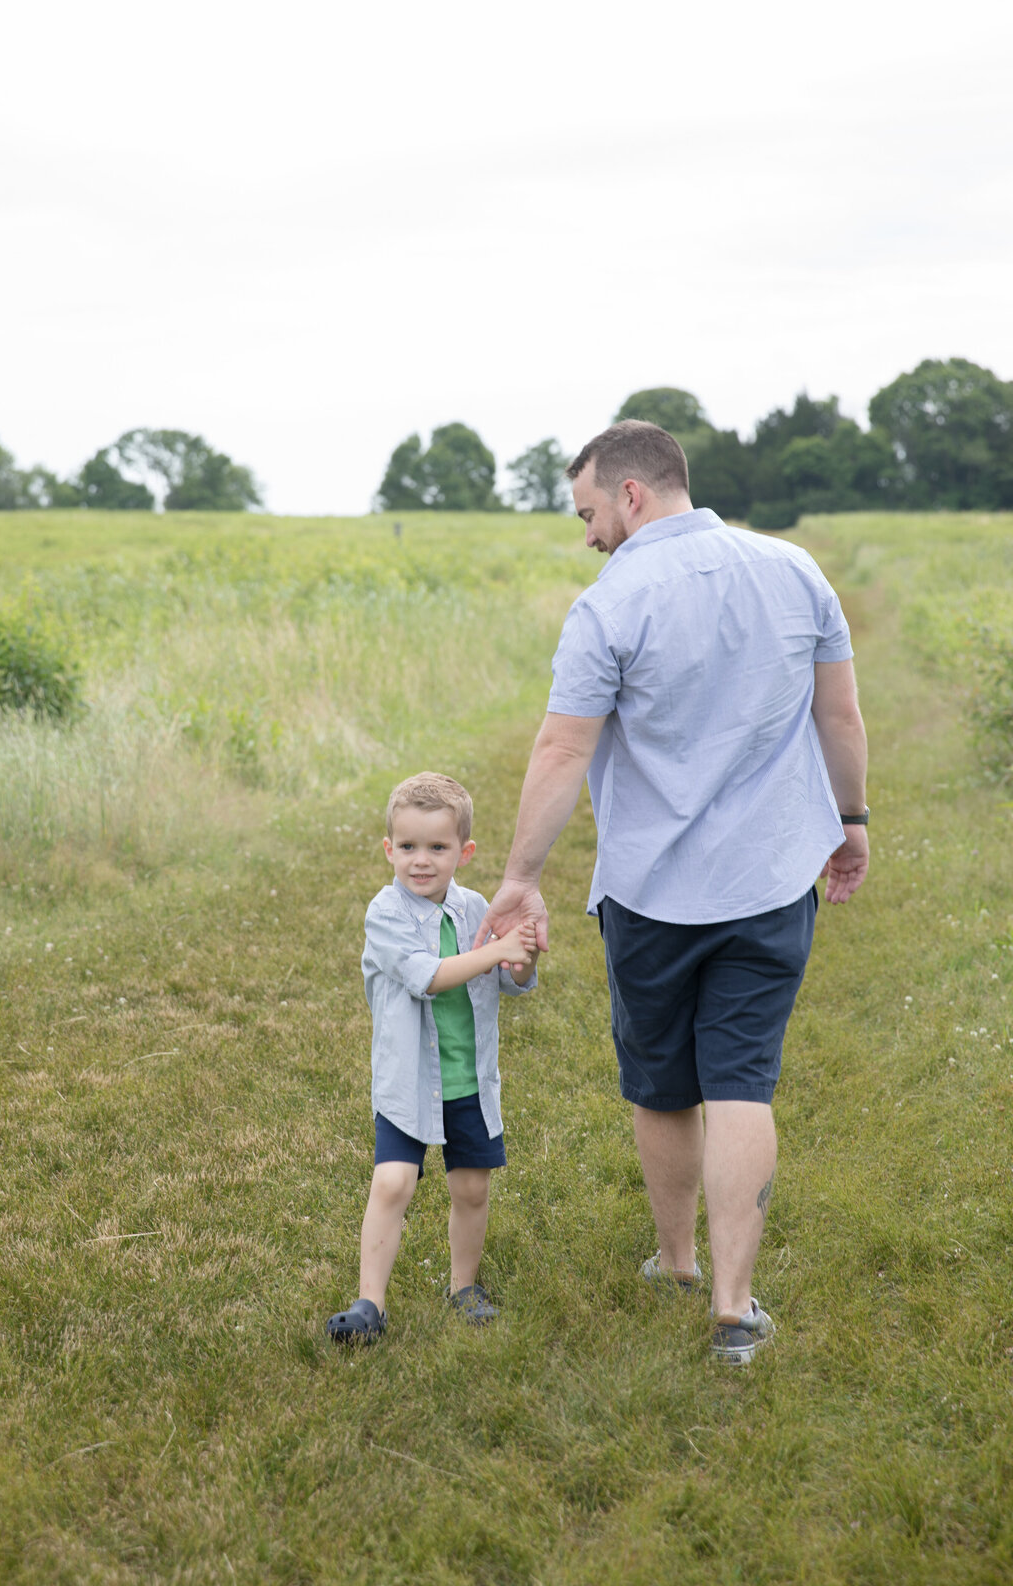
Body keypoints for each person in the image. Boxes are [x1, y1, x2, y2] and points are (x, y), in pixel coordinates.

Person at [478, 421, 869, 1365]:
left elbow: (563, 748)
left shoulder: (609, 607)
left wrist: (520, 880)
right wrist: (851, 821)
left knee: (663, 1084)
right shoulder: (795, 570)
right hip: (773, 878)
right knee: (742, 1079)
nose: (587, 536)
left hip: (652, 892)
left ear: (632, 494)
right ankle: (734, 1310)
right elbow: (840, 712)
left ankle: (678, 1260)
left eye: (587, 513)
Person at [326, 772, 538, 1343]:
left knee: (471, 1188)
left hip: (467, 1080)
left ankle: (463, 1287)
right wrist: (496, 948)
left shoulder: (476, 911)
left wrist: (519, 956)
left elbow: (511, 982)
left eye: (438, 848)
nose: (422, 861)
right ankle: (370, 1303)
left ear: (463, 852)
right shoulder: (386, 913)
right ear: (389, 849)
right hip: (409, 1081)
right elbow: (430, 977)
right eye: (409, 847)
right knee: (393, 1181)